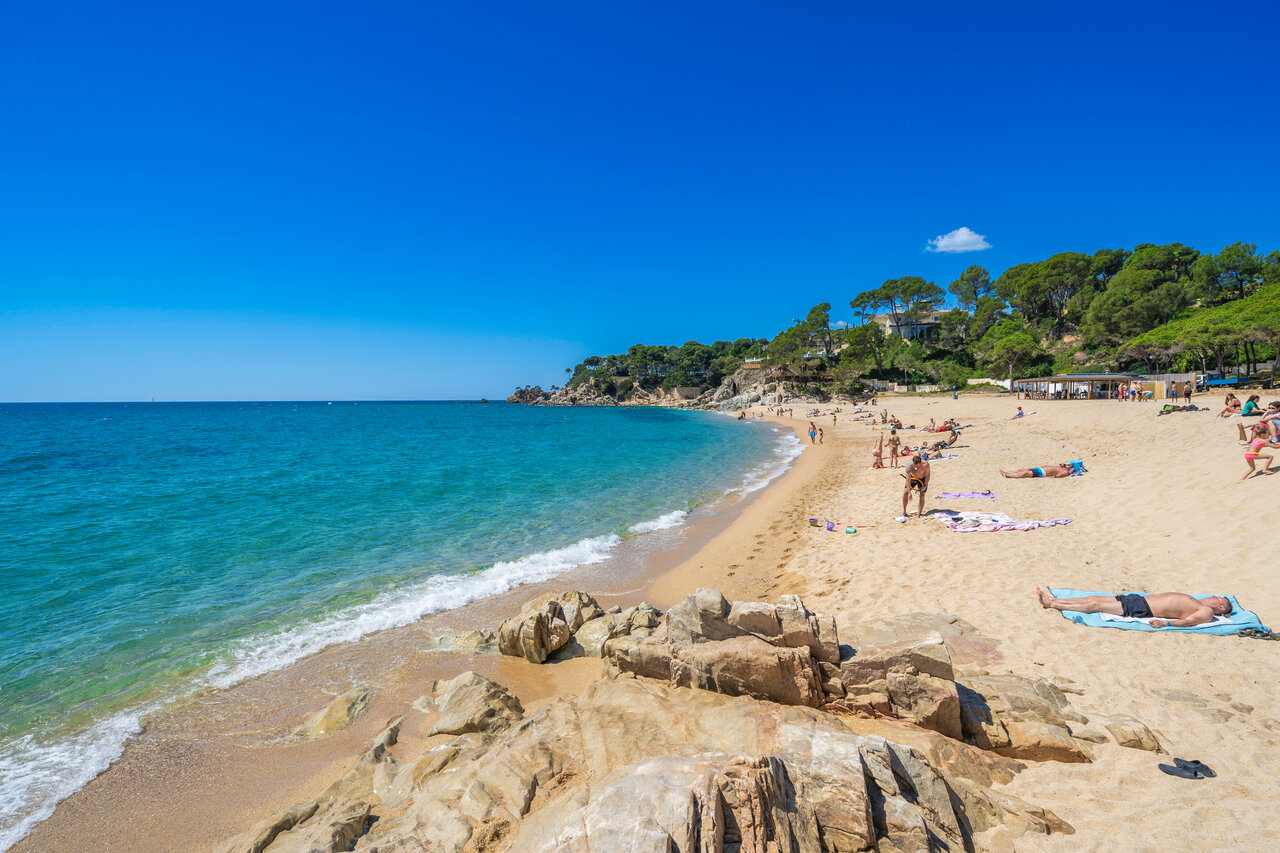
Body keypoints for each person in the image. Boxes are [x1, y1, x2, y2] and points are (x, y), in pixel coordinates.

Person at [1037, 588, 1232, 628]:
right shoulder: (1198, 602)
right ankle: (1055, 599)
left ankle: (1052, 603)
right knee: (1093, 598)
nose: (1212, 596)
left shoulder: (1206, 612)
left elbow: (1190, 622)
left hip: (1143, 608)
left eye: (1217, 598)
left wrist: (1166, 623)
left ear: (1221, 607)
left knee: (1094, 605)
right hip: (1140, 599)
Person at [897, 455, 930, 521]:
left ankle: (919, 514)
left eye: (917, 466)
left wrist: (925, 485)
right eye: (914, 466)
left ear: (920, 463)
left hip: (922, 479)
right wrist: (909, 492)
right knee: (905, 492)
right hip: (913, 478)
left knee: (922, 494)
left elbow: (928, 475)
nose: (915, 468)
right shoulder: (909, 466)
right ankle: (904, 511)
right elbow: (908, 480)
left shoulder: (926, 465)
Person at [1000, 461, 1078, 478]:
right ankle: (1007, 472)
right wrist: (1062, 465)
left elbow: (1058, 476)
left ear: (1070, 468)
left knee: (1025, 473)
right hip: (1040, 469)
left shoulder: (1065, 471)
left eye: (1069, 465)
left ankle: (1007, 475)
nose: (1067, 465)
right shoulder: (1061, 467)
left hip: (1042, 472)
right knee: (1022, 470)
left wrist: (1052, 477)